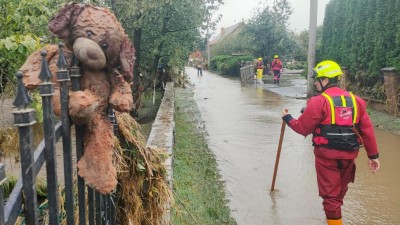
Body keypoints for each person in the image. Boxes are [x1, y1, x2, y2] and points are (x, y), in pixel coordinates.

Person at [281, 60, 380, 225]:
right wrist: (373, 156)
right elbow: (367, 131)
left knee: (330, 197)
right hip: (349, 156)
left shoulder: (319, 102)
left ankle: (334, 219)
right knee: (339, 193)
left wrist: (287, 118)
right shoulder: (357, 101)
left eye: (317, 80)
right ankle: (335, 215)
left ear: (325, 80)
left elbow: (302, 128)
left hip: (326, 157)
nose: (316, 84)